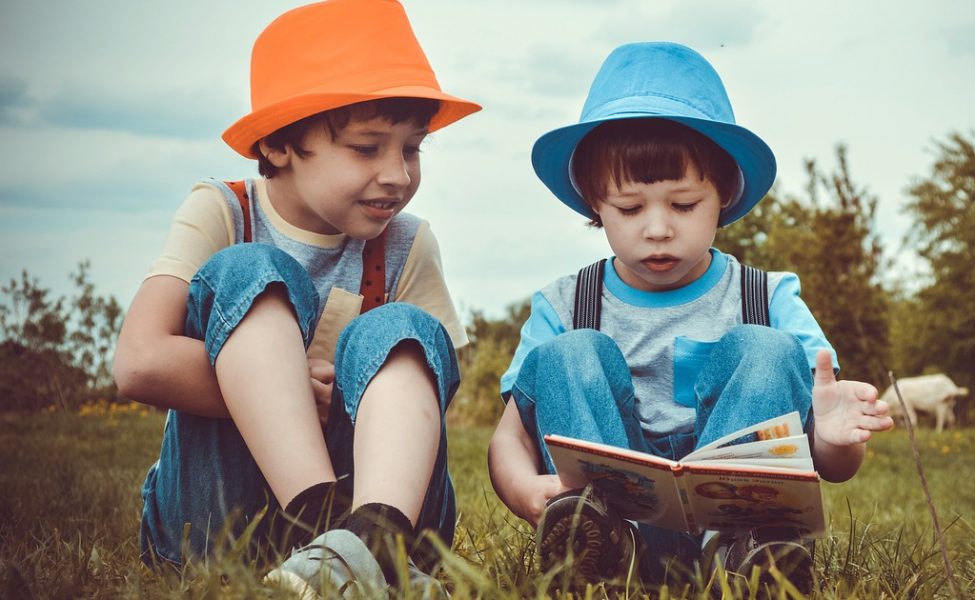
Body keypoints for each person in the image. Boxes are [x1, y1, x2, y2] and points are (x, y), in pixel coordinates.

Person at [487, 41, 894, 592]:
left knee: (767, 348)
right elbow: (508, 437)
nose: (657, 228)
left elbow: (833, 463)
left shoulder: (767, 296)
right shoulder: (564, 304)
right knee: (570, 353)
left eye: (683, 205)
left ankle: (747, 558)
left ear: (723, 193)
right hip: (612, 518)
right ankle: (600, 551)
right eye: (630, 208)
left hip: (737, 522)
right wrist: (523, 489)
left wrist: (837, 441)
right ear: (593, 202)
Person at [111, 0, 479, 596]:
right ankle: (329, 529)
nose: (398, 174)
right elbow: (139, 361)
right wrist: (282, 388)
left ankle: (373, 536)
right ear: (280, 144)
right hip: (219, 518)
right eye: (367, 148)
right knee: (251, 270)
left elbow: (432, 386)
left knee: (403, 330)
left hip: (378, 496)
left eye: (412, 148)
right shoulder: (224, 211)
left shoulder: (408, 243)